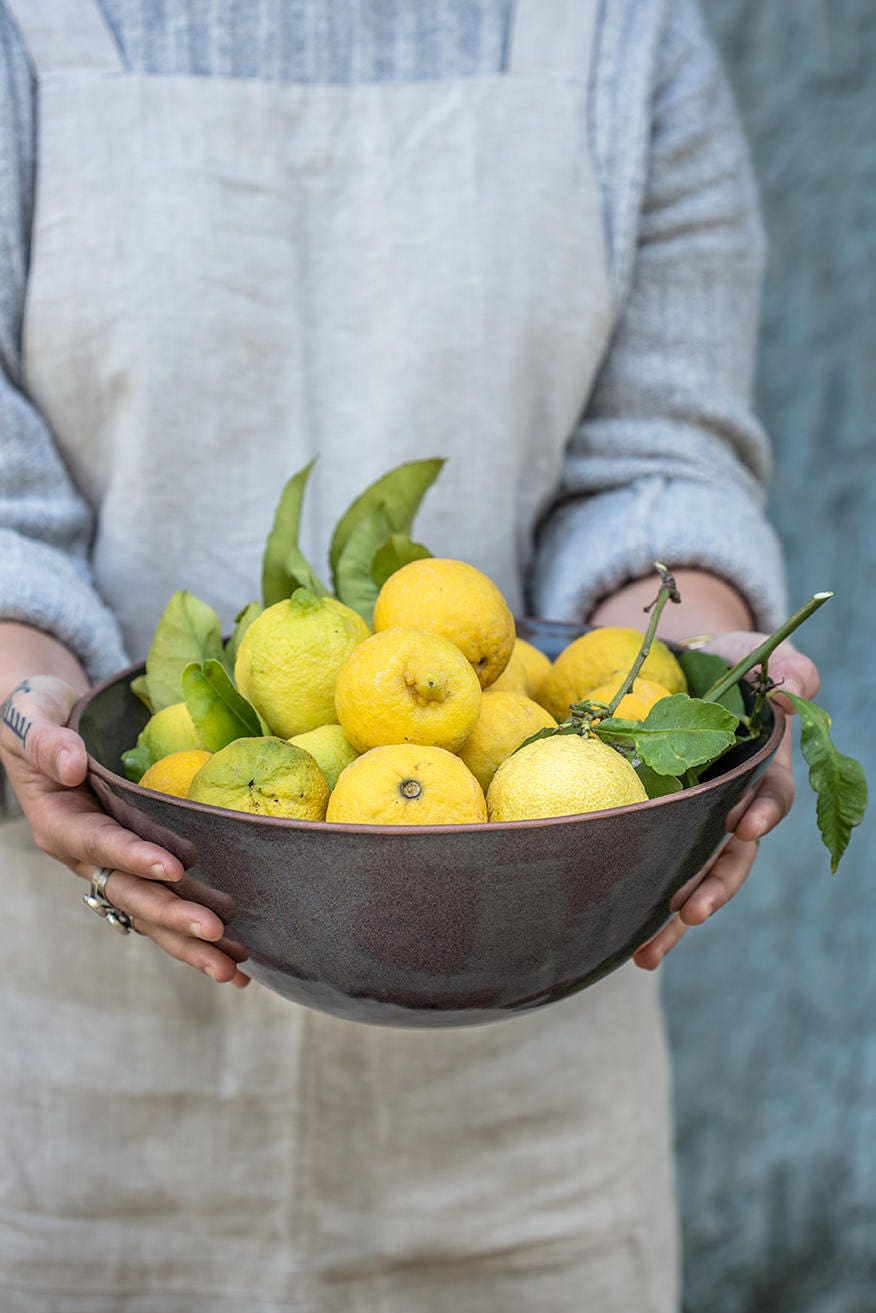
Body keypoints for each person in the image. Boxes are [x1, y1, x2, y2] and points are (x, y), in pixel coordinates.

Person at [0, 1, 819, 1309]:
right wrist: (27, 699)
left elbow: (657, 459)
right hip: (80, 1075)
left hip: (530, 1074)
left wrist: (703, 674)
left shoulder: (622, 35)